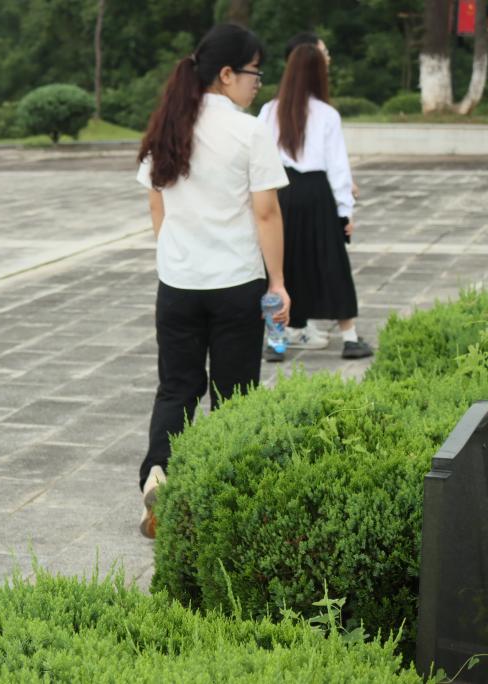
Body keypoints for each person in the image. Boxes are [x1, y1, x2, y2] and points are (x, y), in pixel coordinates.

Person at [135, 24, 290, 539]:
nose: (257, 84)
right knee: (234, 393)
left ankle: (158, 476)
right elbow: (266, 213)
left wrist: (176, 253)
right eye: (254, 73)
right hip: (234, 283)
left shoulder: (167, 124)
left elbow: (156, 203)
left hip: (178, 284)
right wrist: (278, 281)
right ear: (226, 74)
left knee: (177, 388)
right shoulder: (248, 132)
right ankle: (224, 498)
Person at [259, 45, 373, 360]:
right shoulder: (326, 114)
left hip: (279, 190)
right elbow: (338, 169)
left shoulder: (268, 111)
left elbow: (257, 157)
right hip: (316, 192)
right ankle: (350, 338)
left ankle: (276, 341)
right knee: (331, 262)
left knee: (281, 264)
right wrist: (344, 213)